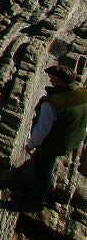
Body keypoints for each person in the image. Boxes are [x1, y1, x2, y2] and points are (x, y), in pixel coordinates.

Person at [24, 63, 87, 210]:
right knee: (47, 165)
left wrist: (31, 145)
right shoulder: (84, 92)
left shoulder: (53, 103)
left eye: (52, 77)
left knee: (43, 168)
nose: (50, 79)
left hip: (54, 143)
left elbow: (42, 129)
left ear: (59, 80)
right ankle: (46, 192)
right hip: (74, 138)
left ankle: (39, 198)